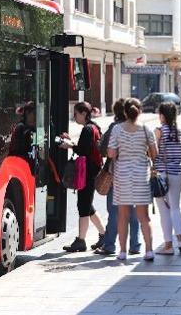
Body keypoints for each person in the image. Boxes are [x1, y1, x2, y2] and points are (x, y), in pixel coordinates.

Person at [107, 98, 157, 261]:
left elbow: (111, 154)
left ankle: (122, 251)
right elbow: (154, 153)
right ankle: (149, 250)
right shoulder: (145, 129)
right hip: (141, 175)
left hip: (122, 175)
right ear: (139, 111)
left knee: (123, 215)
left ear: (124, 112)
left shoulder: (117, 130)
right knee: (143, 216)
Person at [94, 99, 141, 256]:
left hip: (117, 177)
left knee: (114, 212)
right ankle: (135, 245)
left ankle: (110, 245)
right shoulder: (142, 128)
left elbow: (104, 149)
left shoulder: (115, 128)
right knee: (134, 212)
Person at [60, 102, 107, 252]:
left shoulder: (87, 129)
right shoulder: (94, 127)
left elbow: (82, 150)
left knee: (83, 206)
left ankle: (81, 241)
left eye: (75, 113)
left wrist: (69, 146)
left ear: (83, 113)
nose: (74, 116)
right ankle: (104, 234)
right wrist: (72, 142)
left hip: (87, 173)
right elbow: (87, 148)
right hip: (93, 171)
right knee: (88, 205)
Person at [153, 102, 181, 255]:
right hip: (178, 172)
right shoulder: (179, 132)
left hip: (162, 174)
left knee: (164, 211)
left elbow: (154, 153)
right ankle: (180, 240)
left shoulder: (159, 131)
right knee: (176, 207)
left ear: (163, 115)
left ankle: (168, 245)